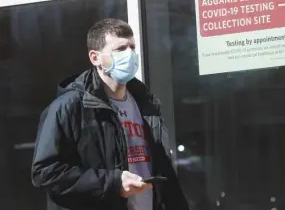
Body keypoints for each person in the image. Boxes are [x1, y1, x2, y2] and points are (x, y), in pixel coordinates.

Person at [31, 18, 189, 210]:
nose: (130, 54)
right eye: (120, 49)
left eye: (132, 47)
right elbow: (46, 173)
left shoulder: (145, 103)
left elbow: (162, 169)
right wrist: (113, 183)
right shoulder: (69, 107)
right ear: (95, 57)